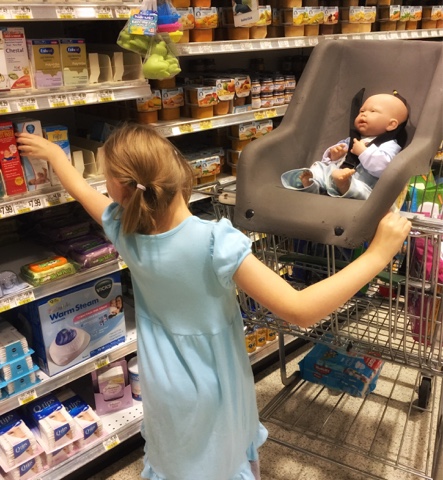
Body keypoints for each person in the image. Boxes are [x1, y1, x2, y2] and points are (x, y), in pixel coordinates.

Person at [16, 124, 411, 480]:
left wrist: (55, 157)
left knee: (177, 458)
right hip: (213, 380)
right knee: (220, 457)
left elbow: (83, 193)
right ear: (179, 170)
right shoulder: (213, 242)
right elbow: (299, 309)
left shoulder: (123, 229)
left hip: (161, 380)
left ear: (121, 190)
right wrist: (377, 255)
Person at [281, 92, 409, 200]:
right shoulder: (350, 140)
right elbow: (331, 162)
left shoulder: (389, 144)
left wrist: (363, 152)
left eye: (373, 111)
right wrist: (334, 156)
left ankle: (344, 185)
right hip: (334, 177)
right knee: (321, 167)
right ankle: (311, 183)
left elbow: (384, 168)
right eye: (361, 111)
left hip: (363, 185)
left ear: (391, 125)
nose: (363, 114)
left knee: (363, 190)